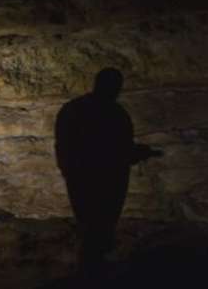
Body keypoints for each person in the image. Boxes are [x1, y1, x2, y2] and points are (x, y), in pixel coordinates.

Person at [55, 68, 162, 275]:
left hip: (81, 180)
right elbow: (120, 152)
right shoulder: (115, 114)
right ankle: (94, 274)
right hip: (108, 181)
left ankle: (90, 273)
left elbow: (63, 147)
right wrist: (141, 153)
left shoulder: (72, 110)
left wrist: (69, 172)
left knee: (89, 226)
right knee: (101, 228)